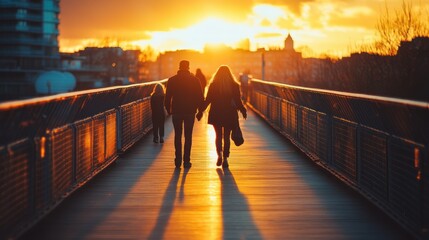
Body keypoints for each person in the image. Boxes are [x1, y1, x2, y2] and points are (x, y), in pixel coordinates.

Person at [196, 65, 247, 168]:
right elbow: (238, 101)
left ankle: (219, 154)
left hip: (216, 113)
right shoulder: (234, 85)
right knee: (227, 136)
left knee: (218, 136)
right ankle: (225, 158)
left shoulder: (213, 85)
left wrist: (201, 110)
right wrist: (243, 110)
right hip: (229, 114)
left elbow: (208, 99)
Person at [165, 60, 204, 168]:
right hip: (190, 112)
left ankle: (178, 160)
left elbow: (167, 97)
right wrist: (200, 111)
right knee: (188, 136)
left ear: (179, 67)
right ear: (188, 67)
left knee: (177, 135)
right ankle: (186, 161)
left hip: (176, 111)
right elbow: (200, 97)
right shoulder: (194, 80)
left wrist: (168, 110)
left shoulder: (172, 80)